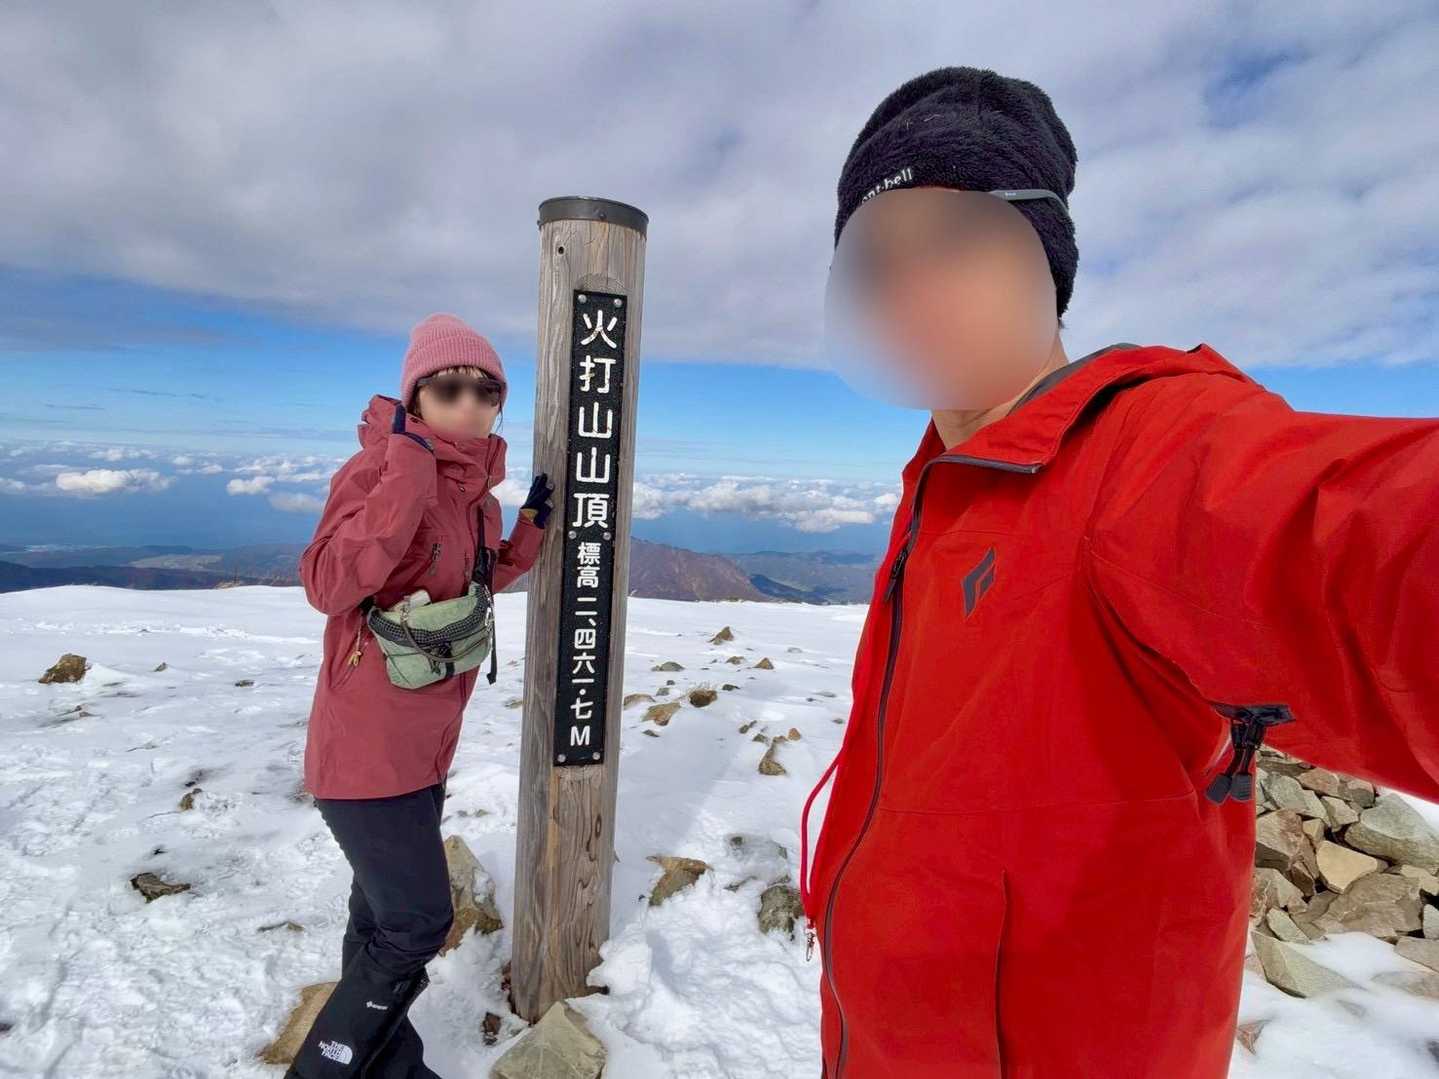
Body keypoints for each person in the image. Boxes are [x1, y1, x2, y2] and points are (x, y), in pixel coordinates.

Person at [798, 66, 1439, 1078]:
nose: (908, 287)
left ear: (1043, 260)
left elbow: (1355, 540)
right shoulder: (943, 483)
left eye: (956, 239)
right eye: (874, 262)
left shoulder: (1141, 456)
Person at [287, 313, 553, 1077]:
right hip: (364, 753)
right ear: (415, 397)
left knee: (377, 916)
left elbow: (474, 581)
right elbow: (328, 584)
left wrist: (530, 528)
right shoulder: (376, 471)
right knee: (417, 921)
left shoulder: (477, 497)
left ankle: (386, 1066)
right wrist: (405, 469)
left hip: (425, 747)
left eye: (486, 390)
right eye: (448, 388)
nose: (469, 402)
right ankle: (324, 1067)